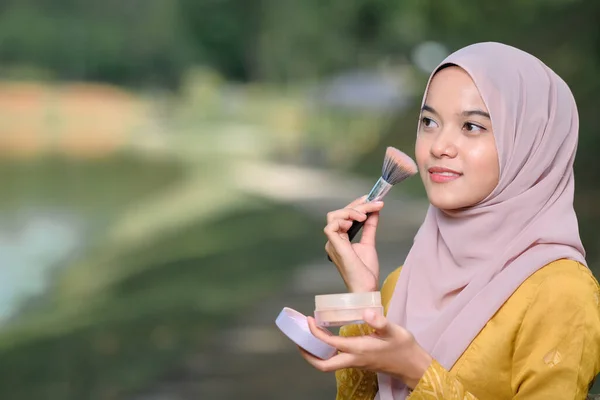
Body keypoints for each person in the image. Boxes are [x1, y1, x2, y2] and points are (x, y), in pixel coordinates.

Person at [297, 42, 600, 399]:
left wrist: (416, 369)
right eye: (429, 122)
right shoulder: (402, 282)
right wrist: (365, 300)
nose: (439, 145)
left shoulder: (561, 293)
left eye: (471, 126)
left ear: (530, 145)